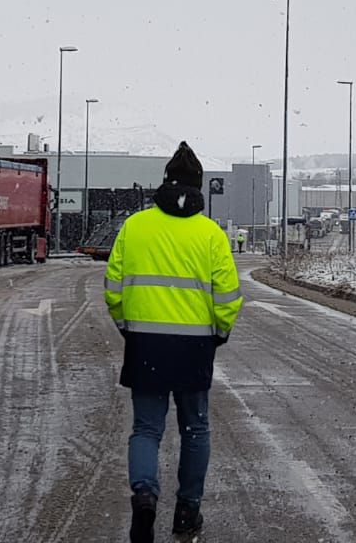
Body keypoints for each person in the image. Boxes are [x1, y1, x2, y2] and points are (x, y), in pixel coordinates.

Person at [105, 143, 242, 541]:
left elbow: (113, 287)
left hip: (145, 343)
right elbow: (228, 296)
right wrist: (220, 330)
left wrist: (126, 325)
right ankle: (187, 511)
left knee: (146, 429)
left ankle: (145, 495)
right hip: (194, 347)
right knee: (195, 429)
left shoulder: (135, 227)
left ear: (164, 184)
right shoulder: (211, 234)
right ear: (198, 189)